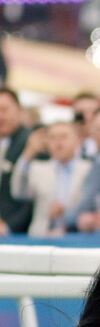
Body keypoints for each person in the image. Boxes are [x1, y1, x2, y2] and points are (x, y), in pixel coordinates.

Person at [11, 122, 91, 236]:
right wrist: (28, 153)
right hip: (42, 236)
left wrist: (66, 211)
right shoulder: (37, 168)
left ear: (77, 140)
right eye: (53, 138)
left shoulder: (89, 169)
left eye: (64, 137)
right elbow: (18, 191)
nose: (58, 143)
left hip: (77, 236)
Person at [0, 87, 33, 235]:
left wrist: (9, 226)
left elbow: (33, 195)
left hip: (18, 234)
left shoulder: (31, 143)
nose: (1, 116)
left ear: (19, 111)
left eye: (5, 110)